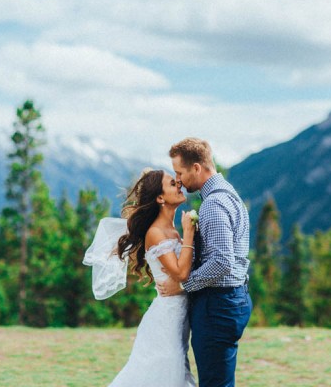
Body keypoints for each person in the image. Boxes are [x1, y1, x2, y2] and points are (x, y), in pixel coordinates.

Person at [87, 169, 197, 387]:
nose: (179, 185)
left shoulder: (172, 230)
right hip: (166, 321)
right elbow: (181, 273)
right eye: (172, 183)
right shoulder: (156, 233)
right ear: (160, 197)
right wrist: (190, 234)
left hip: (178, 316)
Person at [157, 137, 252, 387]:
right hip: (229, 300)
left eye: (180, 172)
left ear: (197, 168)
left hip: (217, 304)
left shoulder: (214, 204)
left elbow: (222, 262)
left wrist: (183, 286)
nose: (178, 179)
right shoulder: (228, 194)